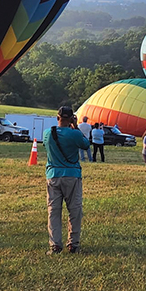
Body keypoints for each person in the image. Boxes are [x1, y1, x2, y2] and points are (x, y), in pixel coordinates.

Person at [44, 106, 89, 255]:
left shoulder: (47, 133)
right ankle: (73, 244)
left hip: (53, 175)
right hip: (72, 175)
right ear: (71, 119)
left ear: (57, 118)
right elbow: (86, 144)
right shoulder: (74, 134)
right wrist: (75, 126)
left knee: (53, 211)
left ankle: (55, 244)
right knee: (75, 210)